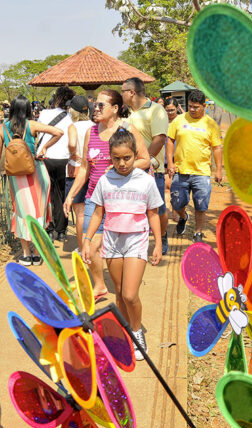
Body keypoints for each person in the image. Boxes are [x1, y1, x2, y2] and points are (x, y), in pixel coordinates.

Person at [82, 129, 162, 360]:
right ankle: (125, 331)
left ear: (135, 154)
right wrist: (87, 240)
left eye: (127, 157)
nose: (122, 163)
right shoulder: (105, 180)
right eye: (116, 158)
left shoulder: (146, 181)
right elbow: (98, 213)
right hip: (112, 241)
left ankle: (137, 333)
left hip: (136, 239)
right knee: (118, 293)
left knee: (129, 294)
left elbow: (153, 213)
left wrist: (157, 244)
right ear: (110, 157)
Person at [64, 89, 151, 302]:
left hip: (123, 202)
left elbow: (145, 160)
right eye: (95, 104)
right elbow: (84, 167)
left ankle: (126, 285)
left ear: (115, 108)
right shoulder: (91, 132)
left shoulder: (127, 129)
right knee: (90, 245)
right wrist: (71, 195)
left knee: (122, 248)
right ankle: (100, 285)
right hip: (95, 199)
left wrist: (118, 169)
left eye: (101, 105)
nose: (96, 108)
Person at [0, 95, 63, 265]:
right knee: (38, 213)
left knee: (21, 213)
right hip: (36, 172)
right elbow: (58, 132)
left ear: (11, 109)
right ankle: (37, 253)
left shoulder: (1, 128)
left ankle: (26, 255)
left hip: (15, 176)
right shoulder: (31, 125)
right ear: (28, 109)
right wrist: (44, 148)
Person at [166, 89, 223, 243]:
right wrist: (170, 163)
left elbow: (217, 148)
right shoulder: (179, 120)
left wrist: (218, 170)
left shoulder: (211, 124)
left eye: (196, 107)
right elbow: (170, 140)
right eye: (190, 106)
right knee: (176, 203)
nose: (192, 109)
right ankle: (183, 217)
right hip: (180, 171)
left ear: (204, 106)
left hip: (202, 172)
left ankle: (198, 232)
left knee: (201, 205)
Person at [122, 77, 170, 255]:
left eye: (123, 91)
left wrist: (144, 161)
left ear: (131, 92)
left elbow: (159, 139)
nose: (121, 95)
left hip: (151, 171)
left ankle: (162, 237)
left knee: (158, 208)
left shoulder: (156, 110)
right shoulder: (129, 113)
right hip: (131, 169)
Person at [37, 86, 75, 241]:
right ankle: (62, 229)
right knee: (62, 194)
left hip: (45, 156)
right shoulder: (71, 116)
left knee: (47, 194)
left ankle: (50, 227)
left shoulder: (44, 113)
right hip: (64, 158)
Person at [64, 95, 94, 252]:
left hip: (76, 170)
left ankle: (83, 247)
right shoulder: (94, 125)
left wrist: (72, 153)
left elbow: (71, 143)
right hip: (93, 170)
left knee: (80, 213)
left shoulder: (73, 127)